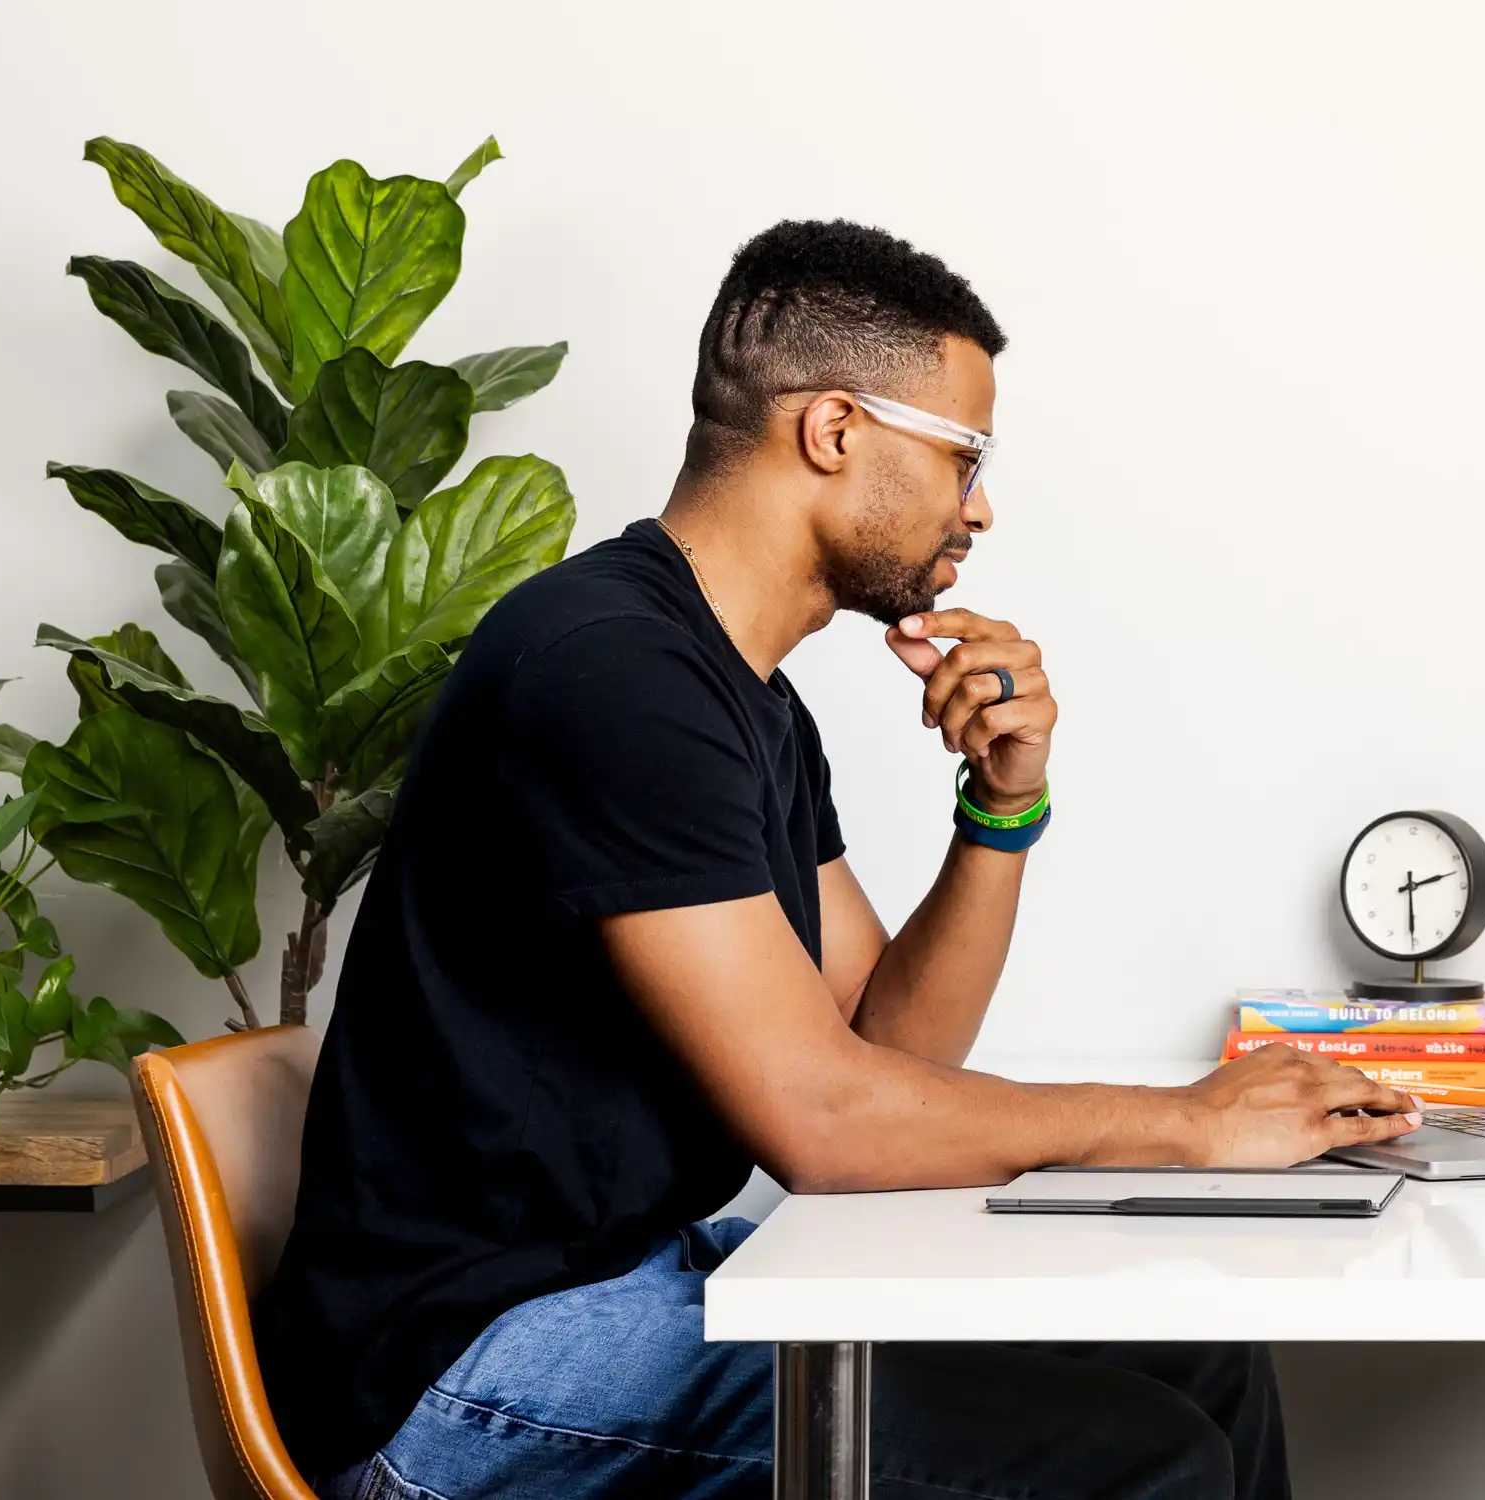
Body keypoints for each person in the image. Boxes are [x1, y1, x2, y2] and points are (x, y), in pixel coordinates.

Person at [254, 220, 1425, 1500]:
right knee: (1145, 1462)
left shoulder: (744, 697)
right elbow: (821, 1120)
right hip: (458, 1378)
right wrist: (1187, 1128)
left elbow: (888, 1053)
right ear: (833, 432)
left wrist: (1000, 811)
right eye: (964, 455)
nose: (978, 506)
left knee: (1196, 1364)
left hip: (637, 1281)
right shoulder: (606, 669)